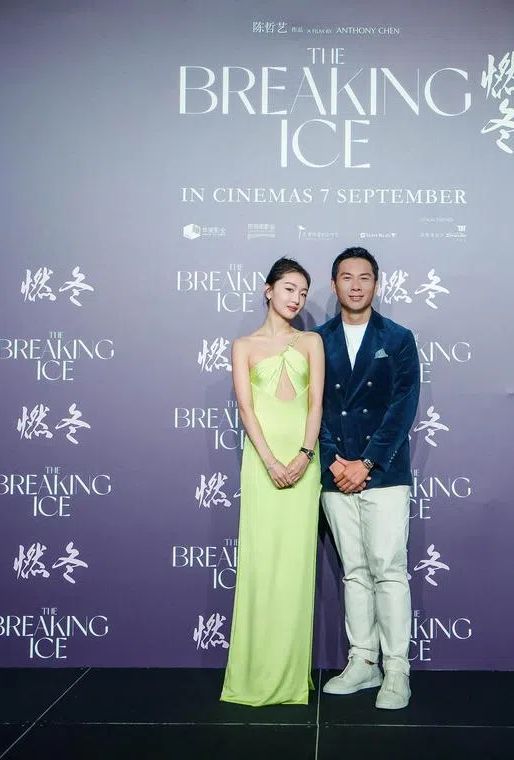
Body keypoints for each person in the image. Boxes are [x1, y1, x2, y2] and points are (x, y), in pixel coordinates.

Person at [315, 247, 420, 710]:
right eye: (346, 277)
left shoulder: (398, 338)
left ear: (377, 284)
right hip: (335, 473)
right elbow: (310, 407)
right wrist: (335, 460)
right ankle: (363, 662)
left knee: (389, 570)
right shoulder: (316, 340)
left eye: (364, 277)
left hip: (384, 473)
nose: (355, 285)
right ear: (334, 284)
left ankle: (397, 669)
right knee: (354, 572)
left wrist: (368, 463)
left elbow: (402, 407)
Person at [220, 257, 325, 706]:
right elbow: (247, 410)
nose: (296, 299)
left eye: (303, 292)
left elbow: (316, 404)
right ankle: (252, 674)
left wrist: (302, 457)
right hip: (261, 465)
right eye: (289, 289)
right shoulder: (242, 345)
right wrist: (269, 461)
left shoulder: (312, 342)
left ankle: (288, 677)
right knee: (262, 564)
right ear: (268, 290)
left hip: (304, 463)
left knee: (296, 568)